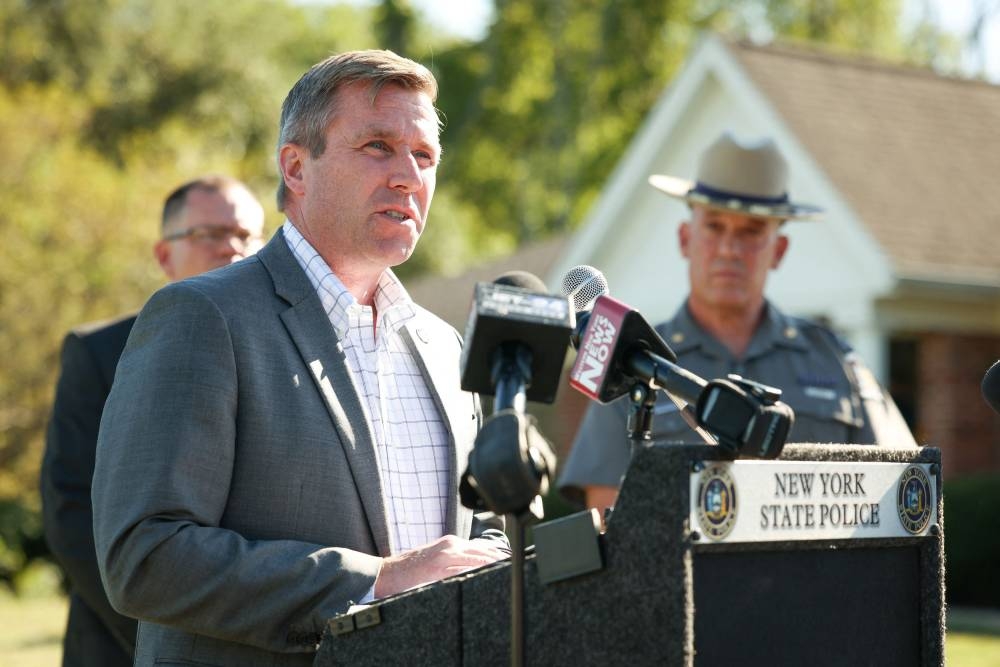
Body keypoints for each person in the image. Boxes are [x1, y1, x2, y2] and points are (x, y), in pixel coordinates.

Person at [91, 50, 508, 666]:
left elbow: (476, 538)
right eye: (377, 146)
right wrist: (377, 580)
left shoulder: (444, 346)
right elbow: (145, 558)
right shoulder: (203, 317)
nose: (409, 177)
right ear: (296, 166)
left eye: (424, 156)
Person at [558, 132, 917, 515]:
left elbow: (901, 491)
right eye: (715, 226)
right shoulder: (630, 361)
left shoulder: (837, 362)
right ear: (685, 239)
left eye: (750, 232)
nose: (730, 249)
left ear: (778, 251)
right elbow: (604, 519)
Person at [40, 175, 266, 667]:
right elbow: (70, 510)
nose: (232, 247)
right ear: (165, 256)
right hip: (121, 644)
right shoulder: (97, 352)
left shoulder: (282, 357)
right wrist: (166, 633)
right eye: (210, 234)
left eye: (248, 236)